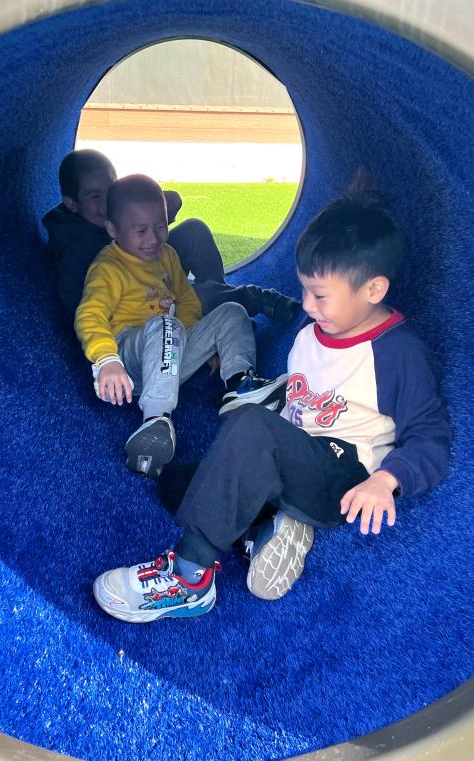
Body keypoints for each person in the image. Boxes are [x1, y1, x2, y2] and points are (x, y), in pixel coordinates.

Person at [91, 191, 451, 622]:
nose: (307, 305)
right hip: (292, 462)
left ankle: (188, 579)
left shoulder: (397, 352)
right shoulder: (313, 332)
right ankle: (265, 532)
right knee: (176, 484)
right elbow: (302, 400)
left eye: (319, 295)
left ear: (373, 289)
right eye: (304, 290)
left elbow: (431, 437)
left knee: (250, 426)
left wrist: (387, 480)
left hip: (342, 476)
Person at [75, 174, 288, 479]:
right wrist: (106, 359)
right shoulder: (108, 267)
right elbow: (90, 315)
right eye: (141, 231)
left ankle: (239, 383)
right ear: (112, 229)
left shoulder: (168, 255)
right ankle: (155, 420)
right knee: (165, 324)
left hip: (170, 352)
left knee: (231, 311)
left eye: (161, 227)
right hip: (129, 362)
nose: (153, 239)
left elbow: (187, 300)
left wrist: (202, 342)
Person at [42, 149, 301, 319]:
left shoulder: (112, 211)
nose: (107, 200)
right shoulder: (77, 245)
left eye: (111, 188)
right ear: (71, 203)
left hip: (150, 268)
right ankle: (251, 298)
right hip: (137, 306)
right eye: (94, 196)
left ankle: (222, 308)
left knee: (194, 231)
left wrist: (144, 205)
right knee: (198, 297)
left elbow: (171, 201)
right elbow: (73, 304)